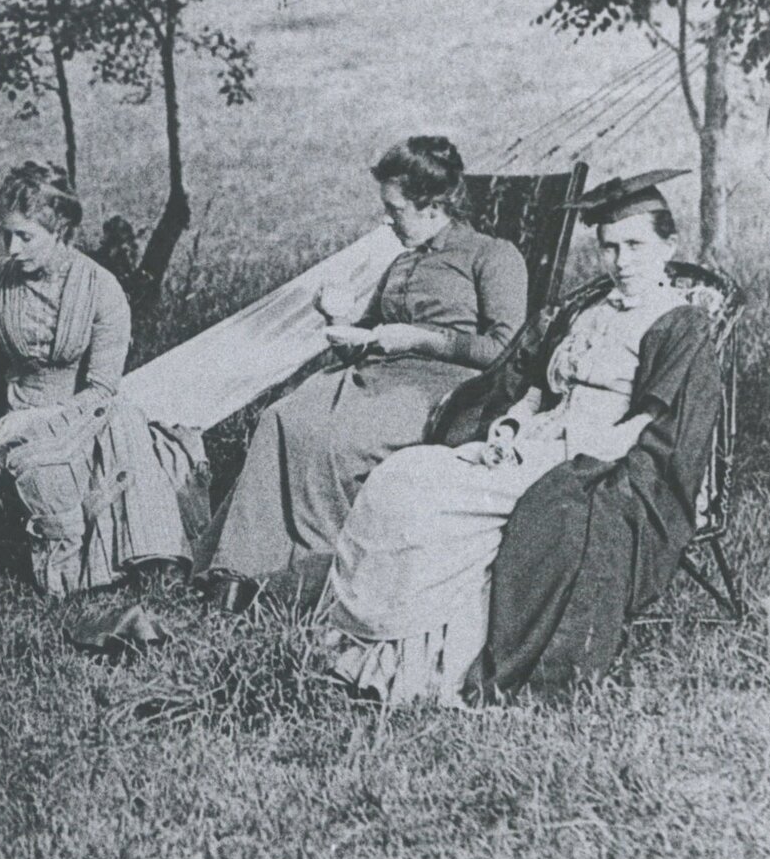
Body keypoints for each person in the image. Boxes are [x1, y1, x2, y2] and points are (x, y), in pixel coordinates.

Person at [283, 171, 720, 706]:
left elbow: (651, 424)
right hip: (536, 438)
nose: (621, 262)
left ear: (669, 247)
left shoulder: (680, 323)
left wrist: (574, 462)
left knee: (437, 508)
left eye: (636, 246)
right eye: (609, 248)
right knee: (400, 477)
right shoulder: (585, 312)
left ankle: (432, 672)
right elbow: (537, 386)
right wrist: (511, 424)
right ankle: (363, 656)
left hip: (596, 458)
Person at [207, 136, 526, 575]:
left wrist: (419, 339)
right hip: (370, 375)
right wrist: (340, 320)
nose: (388, 220)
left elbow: (505, 349)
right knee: (282, 419)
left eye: (395, 209)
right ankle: (244, 564)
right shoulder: (401, 262)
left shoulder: (492, 256)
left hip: (441, 388)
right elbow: (369, 331)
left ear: (432, 205)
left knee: (338, 442)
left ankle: (318, 572)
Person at [0, 162, 199, 604]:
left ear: (62, 231)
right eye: (6, 235)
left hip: (81, 417)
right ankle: (78, 571)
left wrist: (37, 422)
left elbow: (102, 391)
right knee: (37, 466)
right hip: (11, 419)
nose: (12, 248)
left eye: (25, 236)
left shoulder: (101, 289)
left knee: (122, 420)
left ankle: (134, 563)